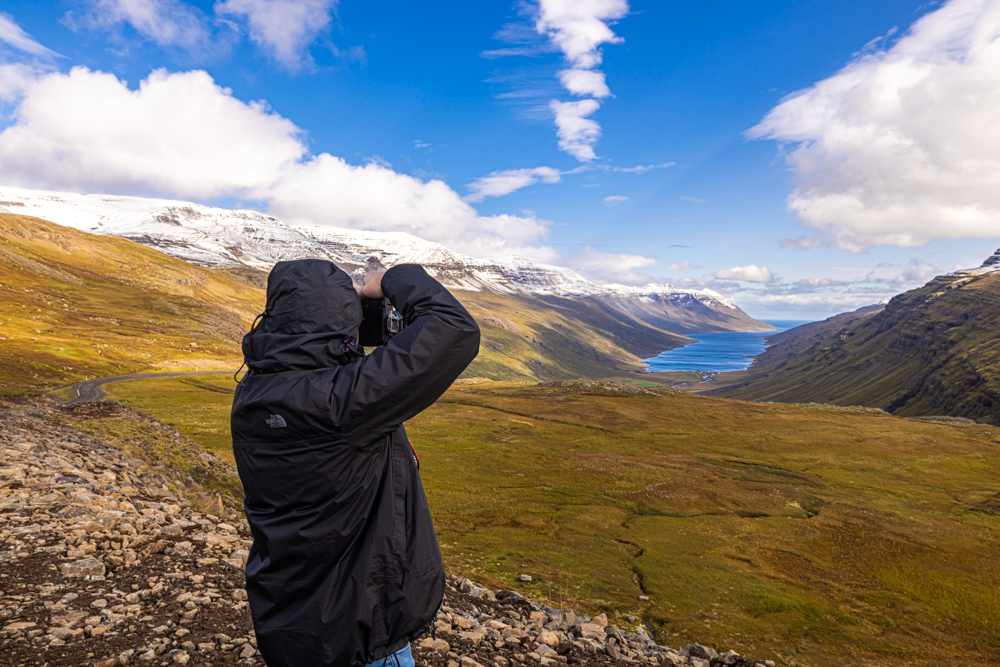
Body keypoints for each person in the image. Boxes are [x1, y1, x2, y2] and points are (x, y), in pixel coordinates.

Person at [231, 259, 480, 667]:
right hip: (360, 635)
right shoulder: (341, 402)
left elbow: (305, 363)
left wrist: (343, 336)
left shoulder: (252, 393)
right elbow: (455, 329)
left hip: (290, 622)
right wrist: (391, 279)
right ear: (340, 323)